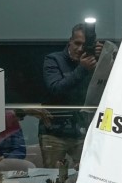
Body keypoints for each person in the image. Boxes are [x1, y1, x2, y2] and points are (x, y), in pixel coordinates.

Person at [40, 22, 102, 168]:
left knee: (87, 172)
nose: (80, 49)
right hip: (54, 131)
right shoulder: (53, 59)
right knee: (53, 174)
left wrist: (104, 58)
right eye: (77, 43)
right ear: (70, 41)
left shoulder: (95, 62)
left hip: (83, 130)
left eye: (85, 45)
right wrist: (82, 69)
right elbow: (55, 89)